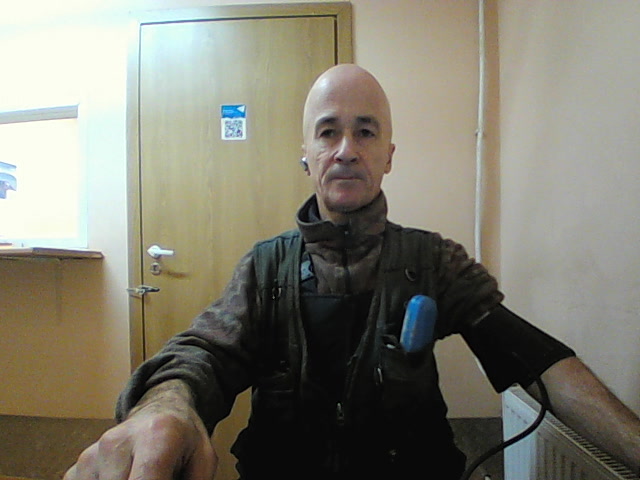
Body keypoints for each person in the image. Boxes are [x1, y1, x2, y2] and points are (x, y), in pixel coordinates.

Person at [64, 64, 640, 480]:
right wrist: (166, 406)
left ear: (388, 154)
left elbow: (535, 359)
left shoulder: (435, 260)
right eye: (328, 131)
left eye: (365, 131)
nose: (346, 149)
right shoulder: (264, 266)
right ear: (306, 155)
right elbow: (204, 355)